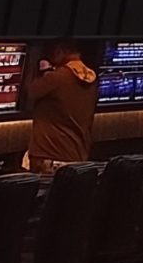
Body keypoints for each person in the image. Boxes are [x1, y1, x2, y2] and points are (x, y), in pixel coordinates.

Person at [21, 41, 98, 175]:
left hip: (49, 155)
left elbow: (30, 92)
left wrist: (39, 67)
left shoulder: (57, 78)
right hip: (77, 157)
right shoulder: (91, 79)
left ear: (59, 51)